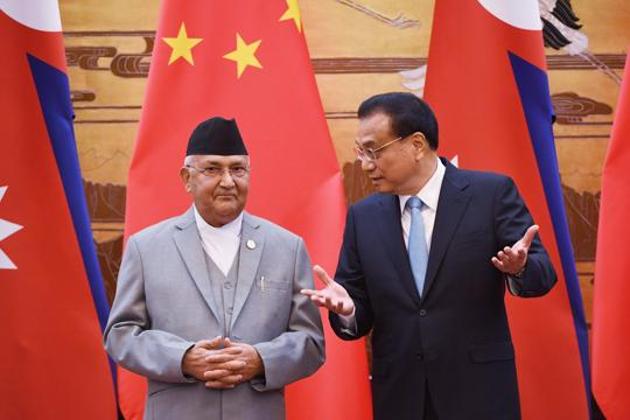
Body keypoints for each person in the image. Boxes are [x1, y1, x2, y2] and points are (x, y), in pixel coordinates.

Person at [301, 92, 557, 420]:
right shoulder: (363, 217)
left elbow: (542, 274)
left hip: (479, 394)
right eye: (360, 152)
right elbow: (357, 308)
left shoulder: (489, 195)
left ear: (417, 145)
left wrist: (520, 268)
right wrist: (348, 309)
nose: (365, 164)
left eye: (373, 151)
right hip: (400, 398)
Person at [105, 117, 324, 420]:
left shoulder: (287, 247)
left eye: (237, 169)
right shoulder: (147, 247)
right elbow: (120, 335)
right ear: (186, 178)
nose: (227, 181)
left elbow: (311, 342)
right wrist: (182, 358)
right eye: (212, 169)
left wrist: (261, 359)